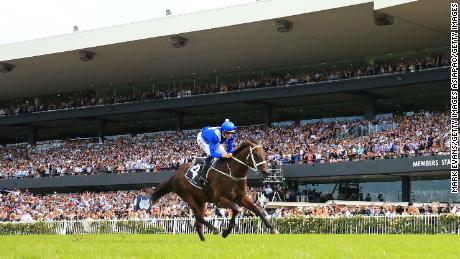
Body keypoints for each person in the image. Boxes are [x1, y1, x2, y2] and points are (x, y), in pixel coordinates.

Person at [196, 119, 236, 184]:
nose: (230, 135)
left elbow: (230, 147)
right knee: (212, 156)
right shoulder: (215, 137)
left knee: (225, 155)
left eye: (232, 132)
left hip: (212, 138)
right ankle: (202, 175)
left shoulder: (230, 135)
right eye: (228, 133)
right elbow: (212, 153)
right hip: (203, 139)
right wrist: (223, 155)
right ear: (223, 132)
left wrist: (230, 153)